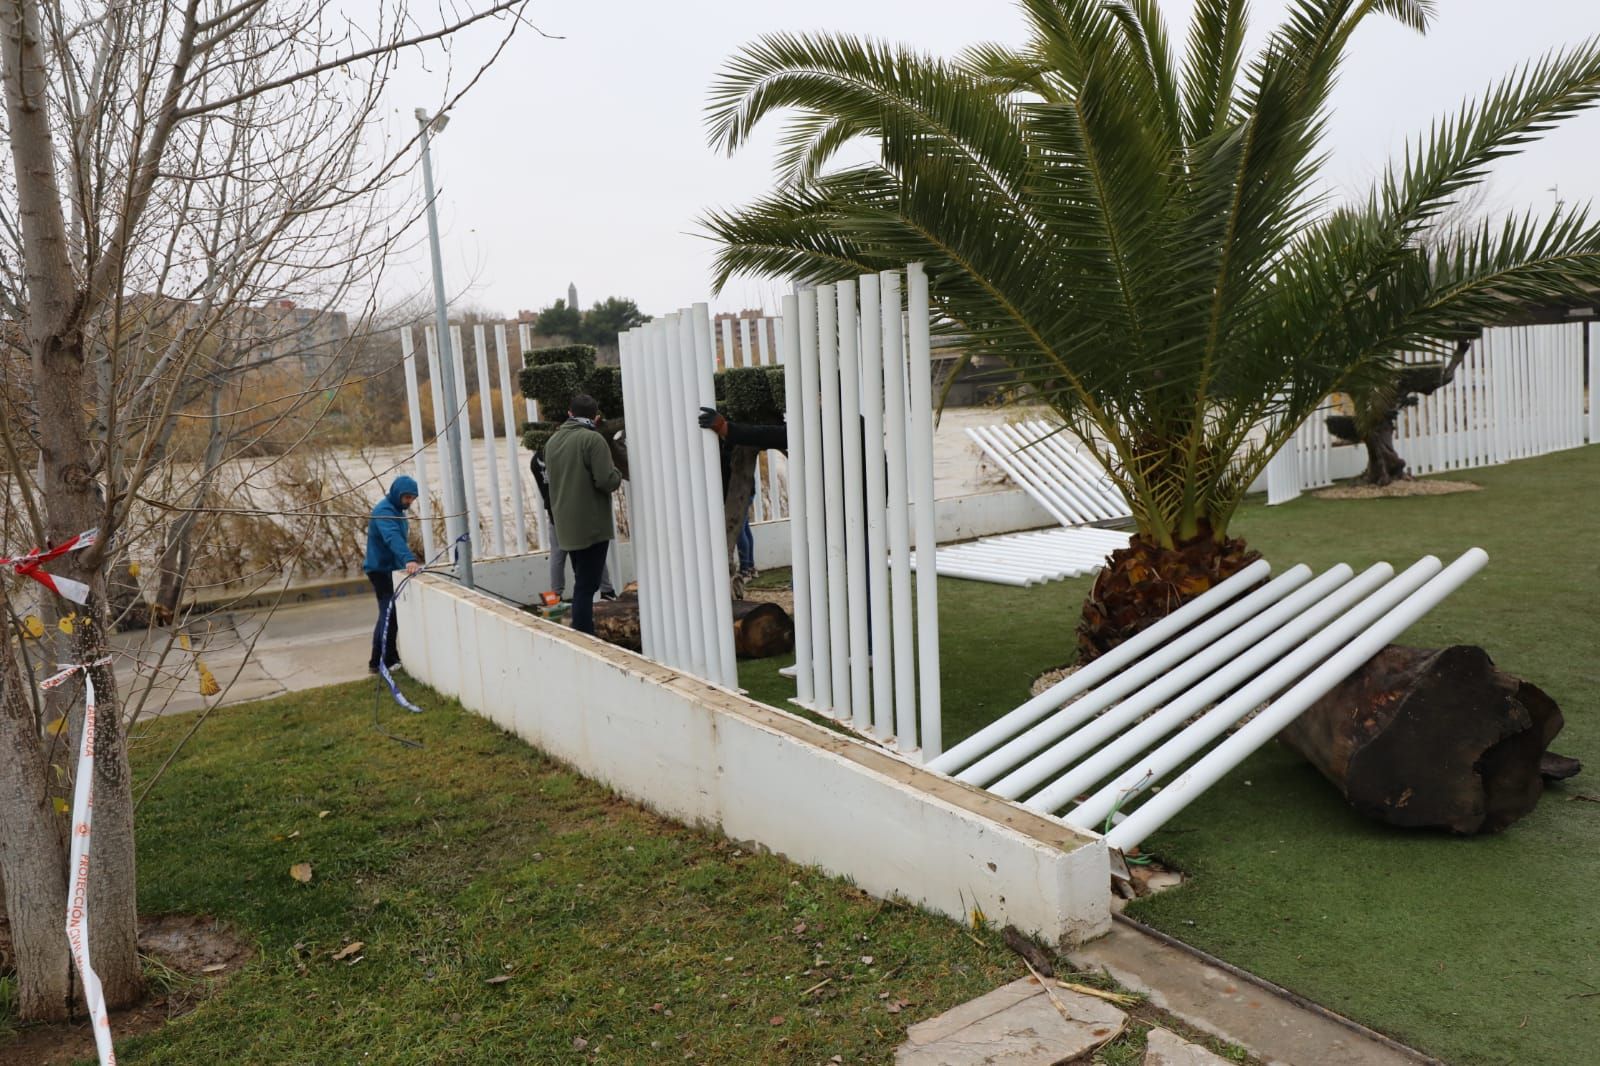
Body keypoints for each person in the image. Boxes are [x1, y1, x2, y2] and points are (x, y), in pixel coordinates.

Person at [544, 394, 624, 635]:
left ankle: (582, 631)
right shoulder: (593, 440)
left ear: (569, 413)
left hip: (565, 525)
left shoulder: (552, 442)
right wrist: (618, 473)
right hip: (591, 526)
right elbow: (606, 480)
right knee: (586, 588)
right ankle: (584, 635)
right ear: (596, 417)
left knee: (582, 581)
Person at [533, 451, 615, 601]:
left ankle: (555, 596)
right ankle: (607, 590)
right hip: (573, 513)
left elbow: (544, 489)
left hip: (554, 512)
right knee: (595, 549)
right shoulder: (563, 454)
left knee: (557, 556)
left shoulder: (535, 461)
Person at [364, 475, 421, 675]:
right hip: (380, 571)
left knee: (389, 615)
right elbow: (392, 538)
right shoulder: (384, 512)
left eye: (412, 498)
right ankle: (384, 660)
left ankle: (381, 660)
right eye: (406, 497)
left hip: (391, 570)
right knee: (389, 615)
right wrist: (409, 559)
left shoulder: (397, 510)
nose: (409, 501)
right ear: (397, 494)